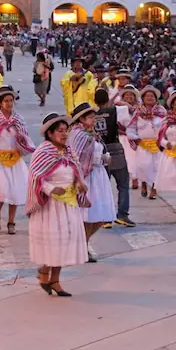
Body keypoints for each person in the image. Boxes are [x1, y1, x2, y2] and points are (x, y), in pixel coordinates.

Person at [27, 112, 89, 296]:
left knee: (66, 241)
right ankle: (45, 273)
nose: (64, 134)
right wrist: (51, 189)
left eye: (66, 130)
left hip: (68, 205)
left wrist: (79, 183)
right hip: (50, 207)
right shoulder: (43, 152)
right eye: (60, 131)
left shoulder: (69, 152)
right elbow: (35, 178)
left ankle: (54, 279)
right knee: (54, 242)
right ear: (50, 134)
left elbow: (75, 173)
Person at [0, 85, 36, 235]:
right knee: (2, 190)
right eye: (6, 101)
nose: (9, 103)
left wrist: (21, 141)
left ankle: (11, 221)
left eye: (11, 100)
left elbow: (26, 137)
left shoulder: (18, 119)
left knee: (15, 191)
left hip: (14, 158)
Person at [68, 102, 114, 262]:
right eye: (90, 117)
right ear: (81, 118)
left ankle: (83, 244)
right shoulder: (78, 135)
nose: (93, 120)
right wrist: (100, 158)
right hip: (87, 177)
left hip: (98, 176)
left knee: (101, 216)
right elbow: (77, 156)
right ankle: (82, 247)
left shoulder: (91, 134)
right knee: (89, 215)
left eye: (94, 117)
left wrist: (103, 158)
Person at [93, 88, 134, 227]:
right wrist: (118, 101)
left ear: (95, 101)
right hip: (116, 149)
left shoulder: (92, 114)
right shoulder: (115, 111)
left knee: (104, 186)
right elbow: (130, 109)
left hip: (99, 150)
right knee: (123, 184)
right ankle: (122, 215)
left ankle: (105, 219)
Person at [127, 86, 166, 199]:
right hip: (143, 144)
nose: (150, 98)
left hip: (157, 144)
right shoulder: (138, 112)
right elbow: (131, 127)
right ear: (143, 98)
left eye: (152, 96)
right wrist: (135, 138)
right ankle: (143, 184)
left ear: (156, 98)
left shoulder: (161, 111)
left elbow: (166, 126)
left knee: (157, 167)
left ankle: (154, 189)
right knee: (143, 166)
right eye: (147, 96)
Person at [116, 84, 140, 189]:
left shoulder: (140, 108)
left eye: (131, 95)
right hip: (122, 137)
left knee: (135, 159)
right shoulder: (119, 107)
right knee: (125, 160)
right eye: (127, 95)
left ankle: (135, 178)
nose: (129, 97)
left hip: (134, 137)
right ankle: (128, 179)